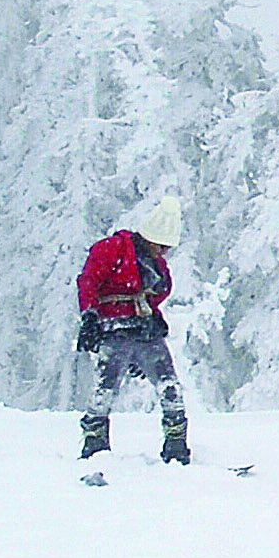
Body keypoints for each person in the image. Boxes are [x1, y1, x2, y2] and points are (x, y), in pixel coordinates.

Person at [74, 196, 189, 464]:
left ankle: (176, 447)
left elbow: (151, 297)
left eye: (167, 248)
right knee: (106, 388)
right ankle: (95, 445)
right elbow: (89, 280)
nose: (163, 252)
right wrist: (90, 315)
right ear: (150, 237)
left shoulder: (155, 264)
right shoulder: (113, 250)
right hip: (114, 330)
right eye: (161, 245)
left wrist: (153, 319)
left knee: (170, 386)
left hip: (144, 331)